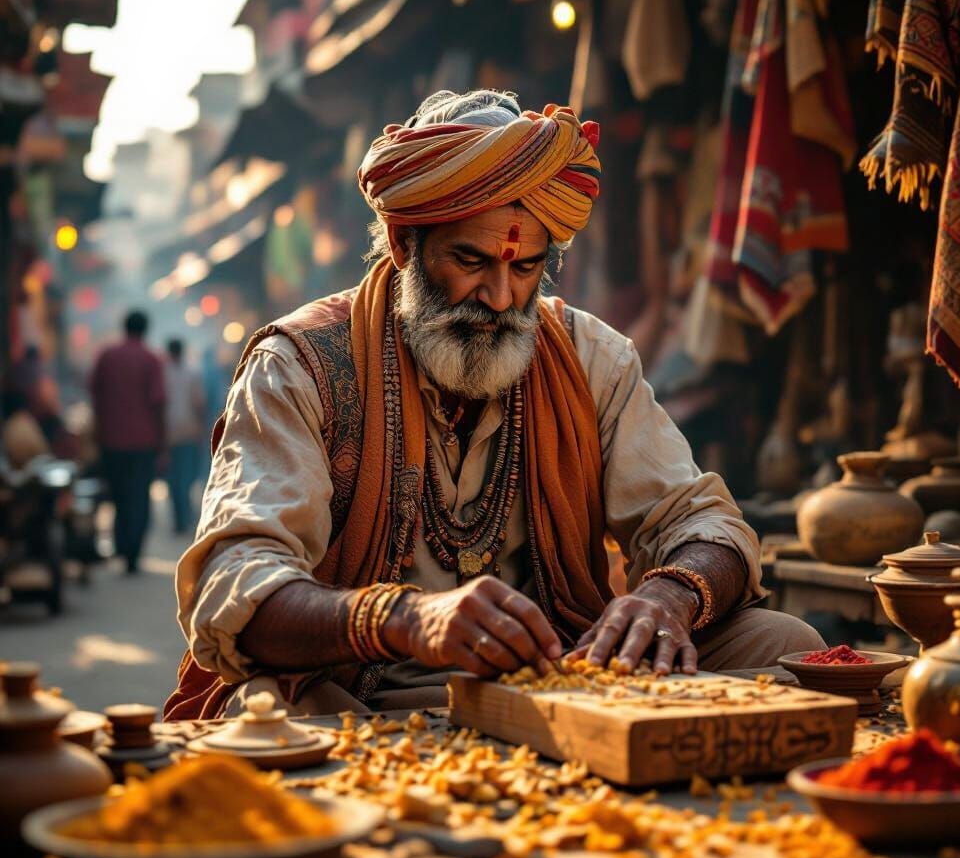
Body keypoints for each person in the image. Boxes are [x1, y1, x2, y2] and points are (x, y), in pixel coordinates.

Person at [166, 90, 823, 720]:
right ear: (402, 244)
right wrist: (404, 620)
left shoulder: (589, 356)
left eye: (526, 268)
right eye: (472, 261)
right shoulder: (300, 364)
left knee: (783, 643)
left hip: (564, 681)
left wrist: (668, 596)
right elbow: (236, 578)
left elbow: (704, 520)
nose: (502, 297)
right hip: (363, 691)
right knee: (268, 709)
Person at [89, 311, 165, 574]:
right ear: (145, 330)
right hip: (143, 441)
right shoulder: (150, 359)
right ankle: (133, 551)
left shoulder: (107, 356)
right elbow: (158, 404)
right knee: (139, 497)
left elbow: (95, 397)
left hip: (111, 439)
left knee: (119, 496)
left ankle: (122, 546)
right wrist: (162, 443)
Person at [163, 339, 206, 534]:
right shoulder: (193, 372)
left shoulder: (162, 373)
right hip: (189, 432)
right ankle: (186, 516)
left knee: (173, 480)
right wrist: (202, 429)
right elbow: (199, 403)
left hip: (168, 434)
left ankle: (179, 519)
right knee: (186, 479)